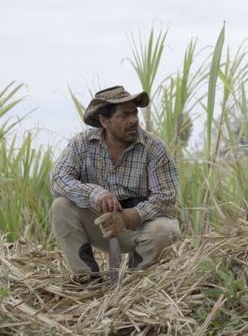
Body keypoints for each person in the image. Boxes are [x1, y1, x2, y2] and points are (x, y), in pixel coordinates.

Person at [49, 86, 181, 283]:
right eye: (124, 115)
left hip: (139, 226)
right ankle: (87, 280)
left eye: (135, 113)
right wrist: (96, 194)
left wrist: (129, 216)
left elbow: (166, 197)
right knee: (61, 206)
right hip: (99, 223)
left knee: (166, 230)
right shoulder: (82, 144)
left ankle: (133, 281)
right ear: (104, 121)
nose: (133, 120)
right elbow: (58, 179)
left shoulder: (154, 148)